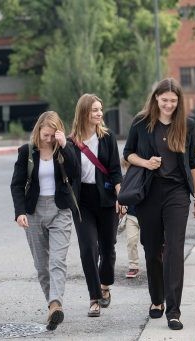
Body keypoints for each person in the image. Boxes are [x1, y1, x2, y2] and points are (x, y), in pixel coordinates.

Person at [123, 78, 195, 330]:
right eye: (164, 99)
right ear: (156, 98)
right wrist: (146, 163)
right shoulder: (141, 122)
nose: (168, 104)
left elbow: (192, 163)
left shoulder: (187, 126)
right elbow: (128, 154)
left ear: (179, 101)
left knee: (174, 249)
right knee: (152, 248)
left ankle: (174, 310)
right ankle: (156, 299)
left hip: (177, 193)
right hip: (149, 193)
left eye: (173, 100)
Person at [11, 111, 80, 330]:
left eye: (52, 135)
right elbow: (17, 184)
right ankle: (53, 307)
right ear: (39, 130)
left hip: (61, 210)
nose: (48, 139)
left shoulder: (64, 149)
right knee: (42, 266)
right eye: (45, 135)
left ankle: (55, 304)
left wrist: (65, 146)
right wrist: (19, 211)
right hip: (34, 211)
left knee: (57, 261)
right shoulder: (27, 152)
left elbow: (75, 172)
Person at [70, 94, 123, 317]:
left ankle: (105, 284)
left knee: (108, 248)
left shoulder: (107, 138)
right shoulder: (72, 142)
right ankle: (94, 297)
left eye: (100, 109)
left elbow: (115, 171)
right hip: (82, 201)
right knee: (88, 249)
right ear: (84, 113)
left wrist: (121, 198)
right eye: (94, 110)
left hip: (106, 198)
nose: (99, 113)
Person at [119, 158, 140, 279]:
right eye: (126, 167)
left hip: (145, 214)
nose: (128, 170)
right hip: (131, 215)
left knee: (149, 242)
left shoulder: (142, 178)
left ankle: (157, 262)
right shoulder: (123, 180)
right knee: (131, 241)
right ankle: (133, 265)